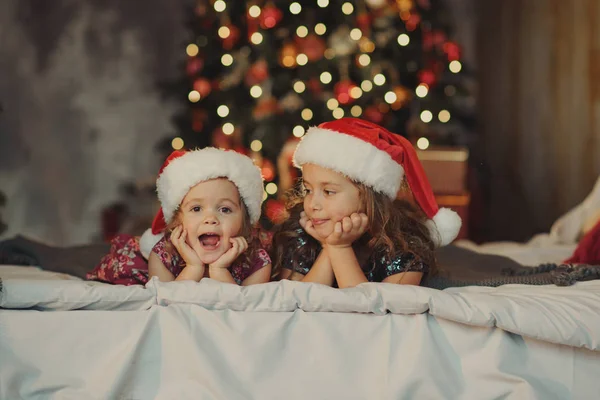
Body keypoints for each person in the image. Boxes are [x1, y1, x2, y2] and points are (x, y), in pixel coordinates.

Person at [271, 118, 461, 288]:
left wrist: (339, 248)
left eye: (328, 191)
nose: (312, 204)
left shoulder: (405, 245)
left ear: (369, 196)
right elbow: (297, 301)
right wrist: (329, 246)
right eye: (308, 190)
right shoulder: (300, 231)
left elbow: (368, 313)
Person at [86, 148, 271, 286]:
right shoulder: (163, 255)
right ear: (177, 221)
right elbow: (166, 306)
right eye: (197, 208)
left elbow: (244, 312)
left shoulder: (257, 260)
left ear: (245, 221)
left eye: (225, 209)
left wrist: (219, 270)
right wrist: (193, 268)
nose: (211, 218)